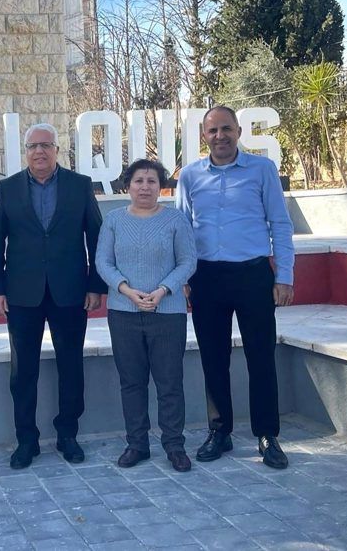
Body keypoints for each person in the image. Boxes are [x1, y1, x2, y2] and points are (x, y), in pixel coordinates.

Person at [176, 105, 295, 470]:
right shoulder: (190, 175)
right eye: (212, 131)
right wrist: (181, 278)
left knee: (261, 356)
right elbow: (180, 228)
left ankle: (267, 434)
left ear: (239, 131)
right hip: (206, 278)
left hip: (253, 275)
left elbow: (280, 223)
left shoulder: (262, 170)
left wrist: (284, 275)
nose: (220, 136)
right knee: (213, 358)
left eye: (226, 129)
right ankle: (220, 431)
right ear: (204, 137)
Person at [0, 122, 107, 469]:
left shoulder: (79, 186)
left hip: (70, 292)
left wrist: (96, 285)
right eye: (32, 146)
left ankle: (68, 434)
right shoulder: (7, 189)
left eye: (46, 145)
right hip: (22, 294)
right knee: (22, 370)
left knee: (71, 366)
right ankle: (27, 440)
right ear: (25, 152)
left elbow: (95, 237)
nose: (39, 151)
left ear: (57, 150)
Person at [95, 159, 197, 472]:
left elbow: (188, 261)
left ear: (160, 186)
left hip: (167, 313)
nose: (145, 187)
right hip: (124, 312)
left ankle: (174, 446)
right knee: (132, 382)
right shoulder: (112, 220)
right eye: (139, 181)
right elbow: (103, 262)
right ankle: (136, 444)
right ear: (128, 185)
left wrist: (163, 290)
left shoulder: (175, 220)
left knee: (170, 382)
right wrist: (127, 290)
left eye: (152, 181)